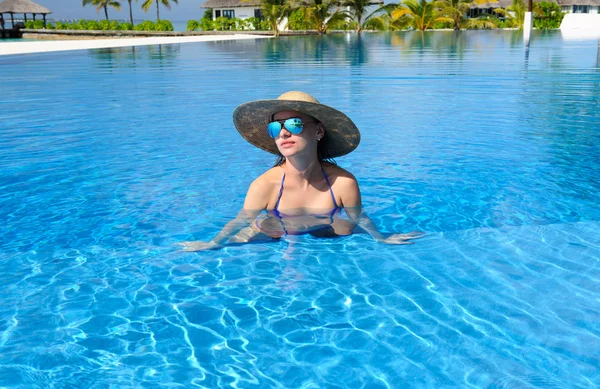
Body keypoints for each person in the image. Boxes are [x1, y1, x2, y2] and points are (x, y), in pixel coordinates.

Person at [180, 91, 422, 251]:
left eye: (294, 124)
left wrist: (382, 238)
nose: (284, 133)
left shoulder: (343, 183)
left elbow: (359, 217)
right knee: (248, 239)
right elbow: (242, 219)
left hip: (325, 229)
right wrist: (212, 243)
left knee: (347, 230)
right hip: (275, 230)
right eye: (276, 127)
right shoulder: (265, 185)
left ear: (318, 131)